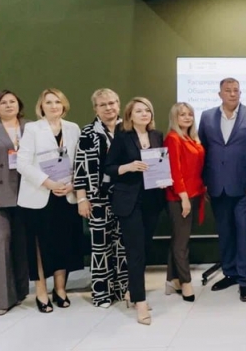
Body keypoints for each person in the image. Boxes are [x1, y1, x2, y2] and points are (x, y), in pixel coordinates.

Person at [198, 78, 246, 301]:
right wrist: (204, 181)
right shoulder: (207, 116)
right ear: (220, 94)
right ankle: (230, 273)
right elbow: (202, 150)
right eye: (227, 90)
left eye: (236, 90)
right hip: (217, 186)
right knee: (225, 232)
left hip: (245, 186)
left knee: (245, 232)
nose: (232, 94)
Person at [17, 88, 83, 314]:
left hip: (67, 195)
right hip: (40, 196)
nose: (54, 106)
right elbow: (23, 163)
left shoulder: (73, 128)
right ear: (41, 106)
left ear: (64, 105)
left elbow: (80, 162)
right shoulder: (33, 129)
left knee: (63, 242)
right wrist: (49, 183)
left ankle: (60, 289)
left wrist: (72, 184)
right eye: (49, 102)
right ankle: (41, 291)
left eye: (58, 102)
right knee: (39, 246)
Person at [104, 97, 166, 325]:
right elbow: (108, 167)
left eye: (147, 110)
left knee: (145, 248)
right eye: (139, 111)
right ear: (130, 115)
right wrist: (128, 167)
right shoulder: (122, 137)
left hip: (152, 199)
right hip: (129, 200)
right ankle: (140, 301)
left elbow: (161, 163)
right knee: (135, 251)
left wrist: (163, 177)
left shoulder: (157, 135)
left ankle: (132, 291)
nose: (144, 114)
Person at [73, 88, 126, 308]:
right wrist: (82, 199)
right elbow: (80, 168)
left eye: (112, 103)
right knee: (100, 247)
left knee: (123, 245)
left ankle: (123, 289)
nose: (109, 108)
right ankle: (102, 293)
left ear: (119, 104)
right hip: (97, 199)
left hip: (125, 197)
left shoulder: (129, 129)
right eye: (103, 105)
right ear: (95, 109)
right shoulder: (88, 133)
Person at [0, 90, 29, 315]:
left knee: (21, 243)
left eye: (12, 101)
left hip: (26, 192)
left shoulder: (30, 127)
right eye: (3, 102)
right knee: (0, 241)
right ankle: (1, 300)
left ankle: (20, 292)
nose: (8, 105)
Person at [164, 102, 206, 303]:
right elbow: (175, 170)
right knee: (182, 243)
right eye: (182, 115)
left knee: (179, 239)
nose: (187, 117)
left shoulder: (192, 138)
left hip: (195, 194)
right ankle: (186, 282)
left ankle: (172, 280)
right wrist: (183, 198)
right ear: (175, 118)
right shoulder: (173, 138)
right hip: (180, 197)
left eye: (190, 114)